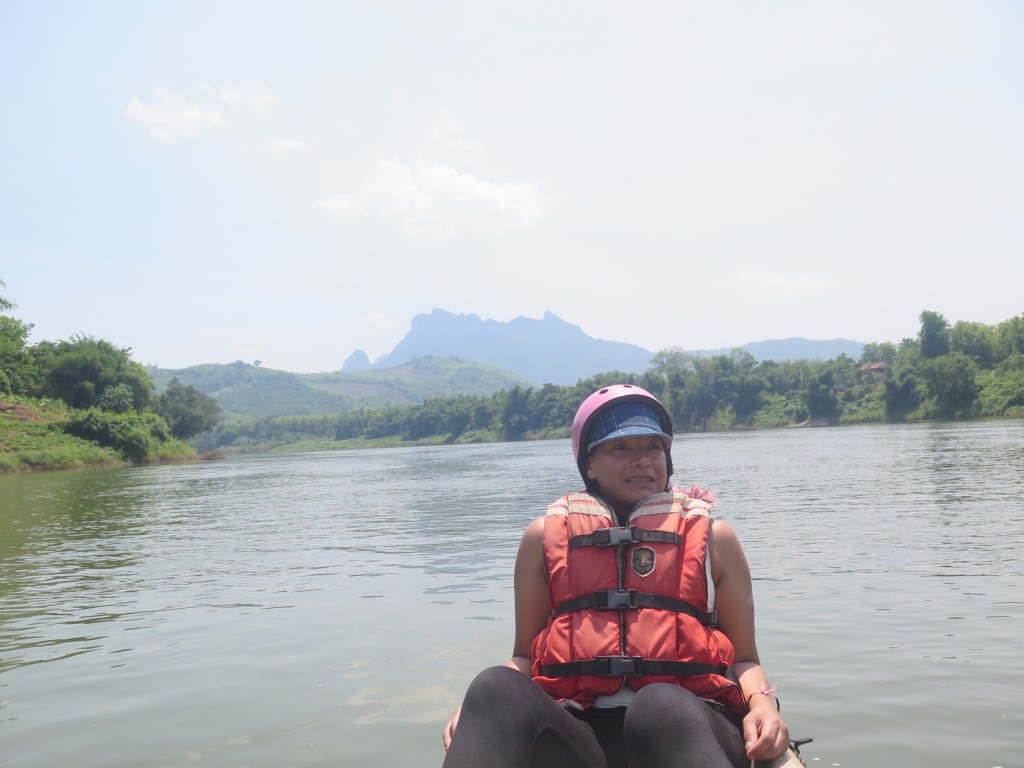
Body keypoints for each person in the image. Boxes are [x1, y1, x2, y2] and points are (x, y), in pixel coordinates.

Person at [442, 384, 790, 768]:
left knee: (659, 703)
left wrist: (764, 706)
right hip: (583, 732)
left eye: (653, 447)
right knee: (493, 687)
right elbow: (524, 657)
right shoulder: (543, 538)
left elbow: (744, 659)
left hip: (689, 724)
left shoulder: (713, 539)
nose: (641, 460)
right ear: (590, 464)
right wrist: (479, 711)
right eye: (620, 448)